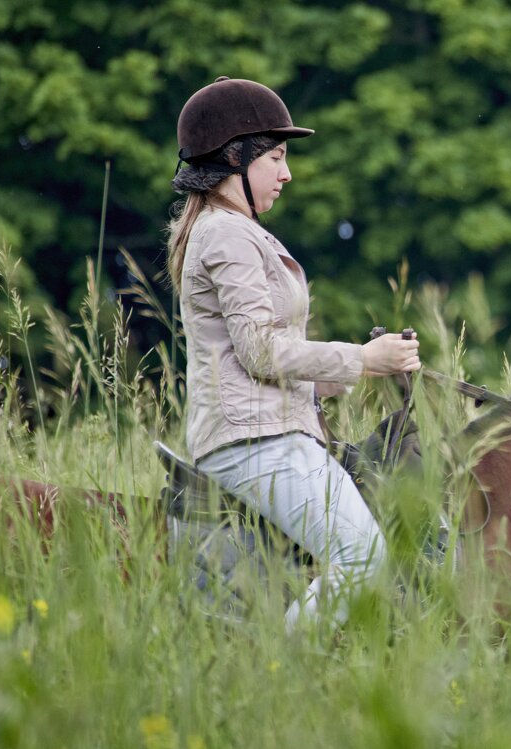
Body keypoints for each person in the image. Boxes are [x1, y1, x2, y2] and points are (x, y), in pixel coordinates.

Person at [165, 76, 420, 631]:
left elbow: (255, 360)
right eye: (275, 157)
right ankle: (285, 674)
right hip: (258, 440)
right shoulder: (228, 235)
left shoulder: (227, 231)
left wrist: (360, 369)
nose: (286, 173)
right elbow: (260, 352)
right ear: (235, 158)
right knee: (363, 558)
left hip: (268, 432)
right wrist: (363, 359)